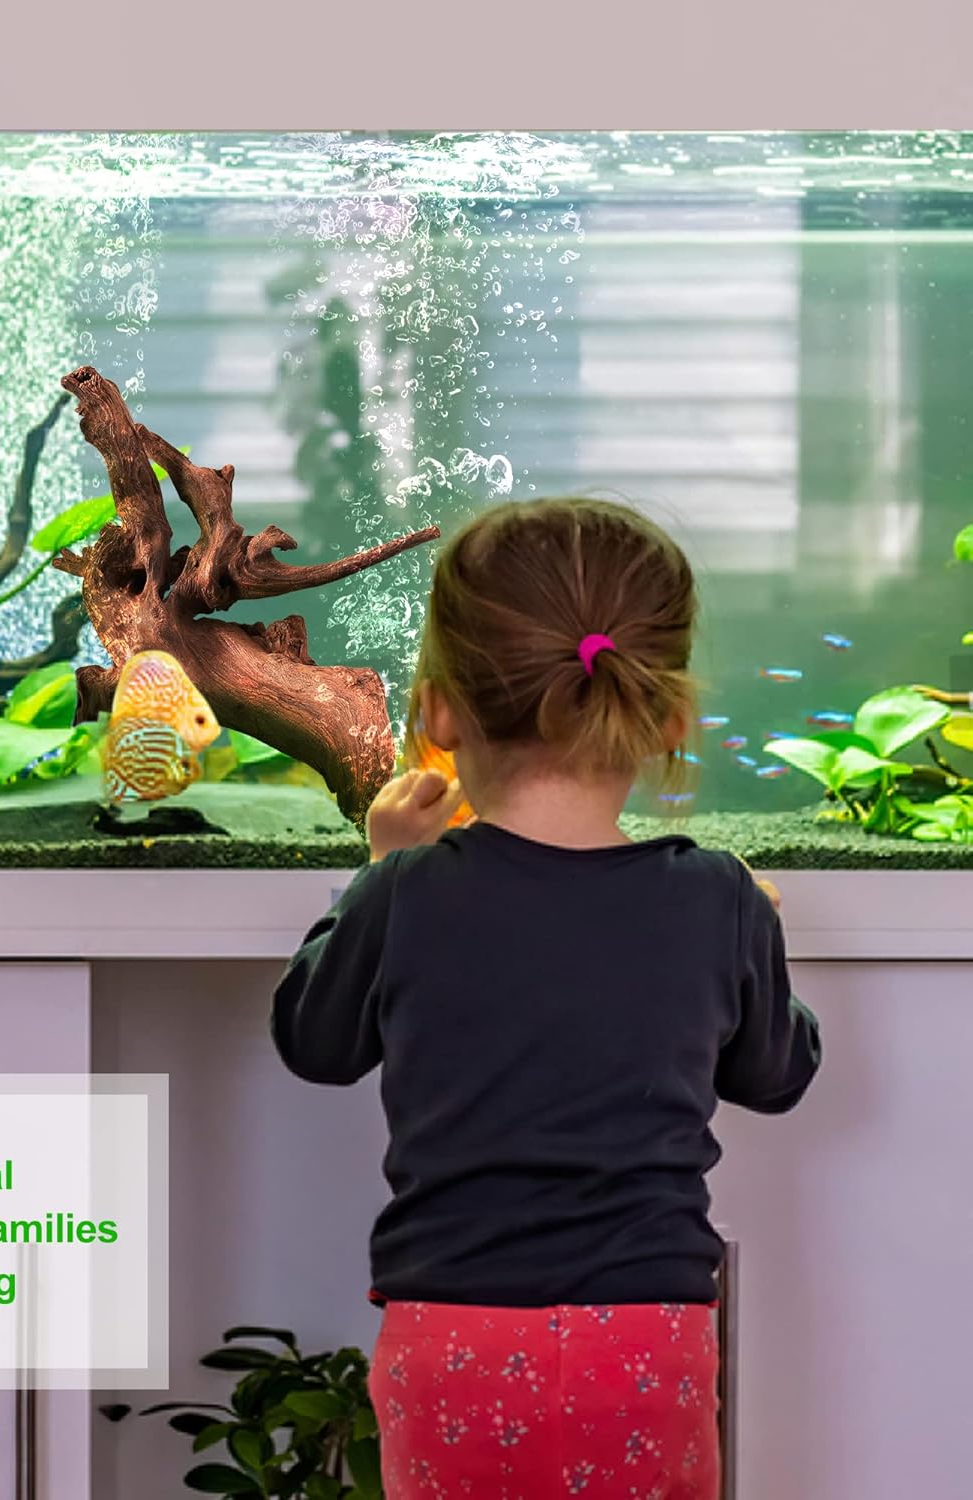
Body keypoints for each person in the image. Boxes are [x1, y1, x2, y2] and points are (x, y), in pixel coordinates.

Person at [271, 498, 820, 1499]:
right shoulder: (717, 897)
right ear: (667, 715)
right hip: (648, 1347)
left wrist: (378, 873)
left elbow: (315, 1038)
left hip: (450, 1345)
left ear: (437, 710)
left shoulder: (409, 890)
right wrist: (756, 938)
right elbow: (778, 1074)